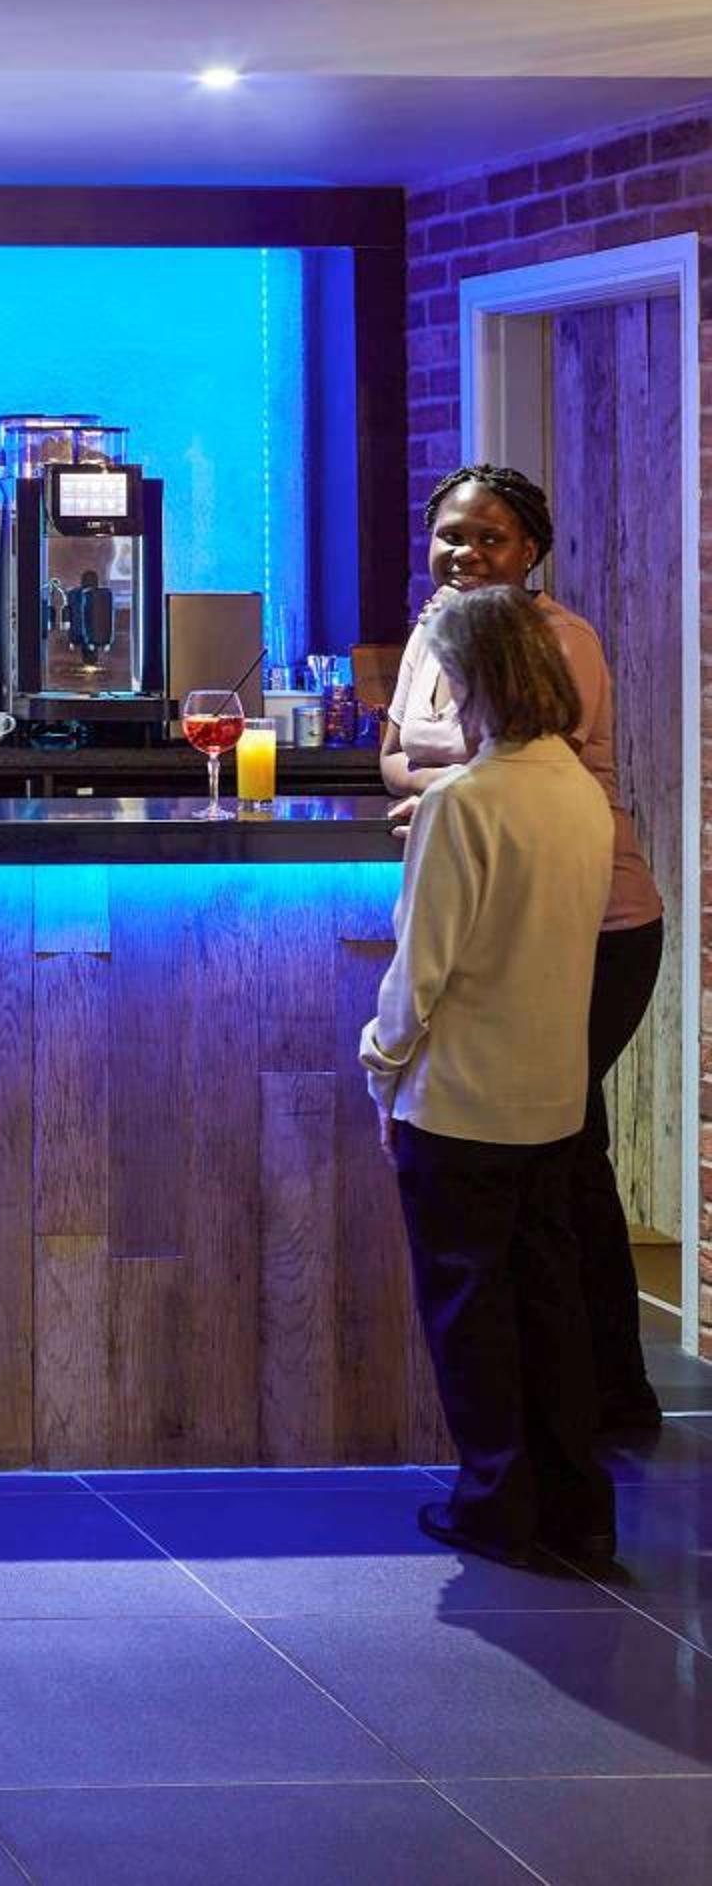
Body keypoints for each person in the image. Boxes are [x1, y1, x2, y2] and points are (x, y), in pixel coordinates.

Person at [383, 464, 667, 1435]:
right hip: (508, 915)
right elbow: (392, 756)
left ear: (531, 550)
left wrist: (450, 789)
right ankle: (584, 1404)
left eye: (488, 536)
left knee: (566, 1149)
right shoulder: (434, 631)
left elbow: (538, 764)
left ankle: (607, 1395)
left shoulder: (560, 638)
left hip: (599, 926)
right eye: (450, 535)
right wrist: (454, 783)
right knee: (562, 1155)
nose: (464, 552)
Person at [363, 583, 620, 1570]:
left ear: (476, 679)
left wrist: (381, 1068)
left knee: (471, 1312)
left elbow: (421, 971)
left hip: (462, 1101)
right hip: (551, 1096)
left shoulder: (462, 804)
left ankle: (496, 1506)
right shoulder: (581, 794)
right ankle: (578, 1507)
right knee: (552, 1307)